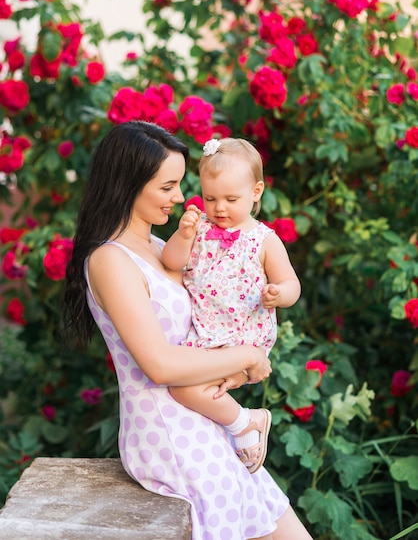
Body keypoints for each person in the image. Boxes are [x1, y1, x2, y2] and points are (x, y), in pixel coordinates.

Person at [63, 121, 313, 540]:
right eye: (168, 186)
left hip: (206, 423)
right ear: (129, 183)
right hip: (172, 435)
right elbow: (159, 365)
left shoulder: (162, 249)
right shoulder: (111, 260)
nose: (181, 197)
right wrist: (250, 357)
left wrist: (242, 357)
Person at [162, 137, 301, 474]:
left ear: (256, 192)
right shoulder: (201, 231)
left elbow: (292, 285)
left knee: (188, 388)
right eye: (210, 198)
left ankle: (242, 425)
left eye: (231, 199)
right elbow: (170, 261)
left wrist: (277, 293)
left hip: (244, 338)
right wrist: (182, 235)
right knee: (185, 389)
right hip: (207, 336)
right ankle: (244, 423)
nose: (219, 208)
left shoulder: (264, 239)